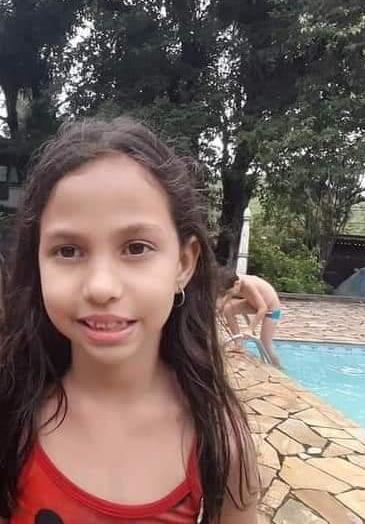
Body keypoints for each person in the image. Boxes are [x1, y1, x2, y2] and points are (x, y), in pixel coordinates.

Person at [0, 118, 258, 523]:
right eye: (68, 251)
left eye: (136, 248)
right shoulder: (12, 416)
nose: (101, 287)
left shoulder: (219, 442)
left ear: (183, 263)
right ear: (38, 264)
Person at [217, 268, 282, 368]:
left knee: (266, 343)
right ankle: (239, 344)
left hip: (272, 310)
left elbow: (263, 308)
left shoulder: (248, 285)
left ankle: (278, 367)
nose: (229, 294)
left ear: (237, 284)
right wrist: (220, 309)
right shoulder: (231, 281)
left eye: (230, 292)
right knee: (228, 309)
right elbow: (229, 294)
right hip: (254, 303)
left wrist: (250, 329)